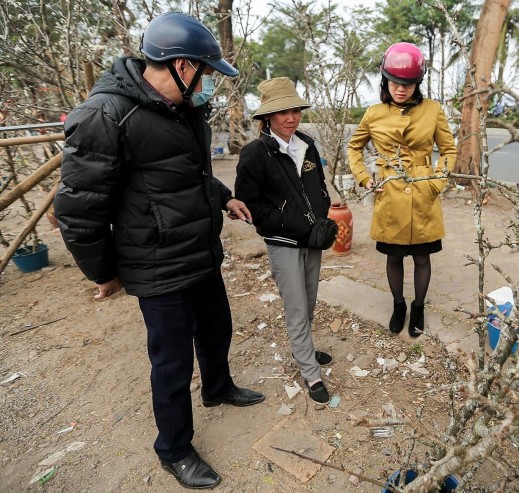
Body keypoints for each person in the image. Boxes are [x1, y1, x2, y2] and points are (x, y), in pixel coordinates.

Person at [54, 12, 264, 490]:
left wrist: (222, 195)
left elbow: (182, 176)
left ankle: (218, 387)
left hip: (198, 250)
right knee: (171, 360)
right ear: (183, 67)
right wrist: (102, 271)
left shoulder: (184, 111)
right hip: (155, 262)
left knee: (216, 328)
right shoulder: (108, 115)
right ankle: (174, 448)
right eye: (206, 73)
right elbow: (79, 208)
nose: (207, 84)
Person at [234, 77, 334, 406]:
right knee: (295, 308)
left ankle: (304, 348)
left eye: (295, 110)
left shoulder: (307, 144)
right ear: (267, 117)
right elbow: (250, 207)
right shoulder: (255, 154)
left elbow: (317, 188)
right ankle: (310, 371)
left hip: (312, 240)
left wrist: (322, 218)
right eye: (282, 112)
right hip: (283, 243)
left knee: (308, 301)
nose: (290, 117)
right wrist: (293, 223)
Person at [347, 42, 457, 338]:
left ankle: (418, 306)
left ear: (417, 83)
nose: (401, 89)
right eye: (395, 82)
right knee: (393, 257)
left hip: (423, 189)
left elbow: (448, 150)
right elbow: (353, 147)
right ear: (386, 80)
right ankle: (398, 305)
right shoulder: (373, 113)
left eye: (408, 83)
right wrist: (365, 178)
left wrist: (436, 183)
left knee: (423, 258)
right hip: (389, 191)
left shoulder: (433, 110)